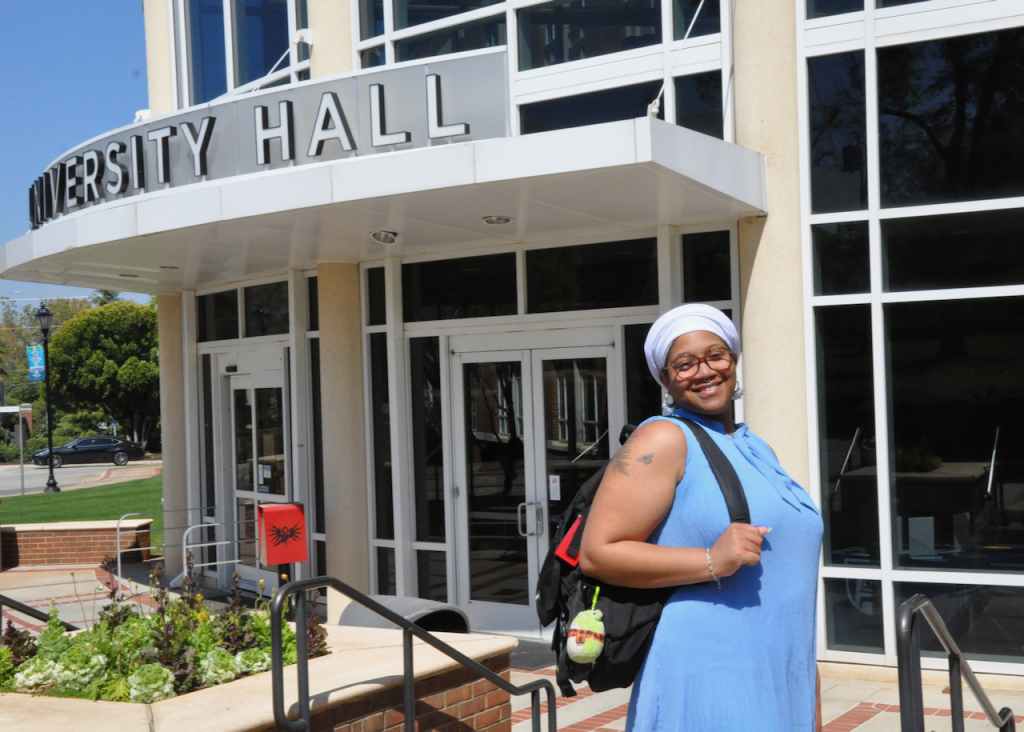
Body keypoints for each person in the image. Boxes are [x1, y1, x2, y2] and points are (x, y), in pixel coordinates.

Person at [578, 303, 823, 731]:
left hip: (780, 668)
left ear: (733, 359)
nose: (704, 370)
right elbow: (598, 554)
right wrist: (711, 559)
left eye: (716, 355)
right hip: (711, 671)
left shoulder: (755, 445)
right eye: (684, 364)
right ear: (665, 379)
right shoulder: (663, 437)